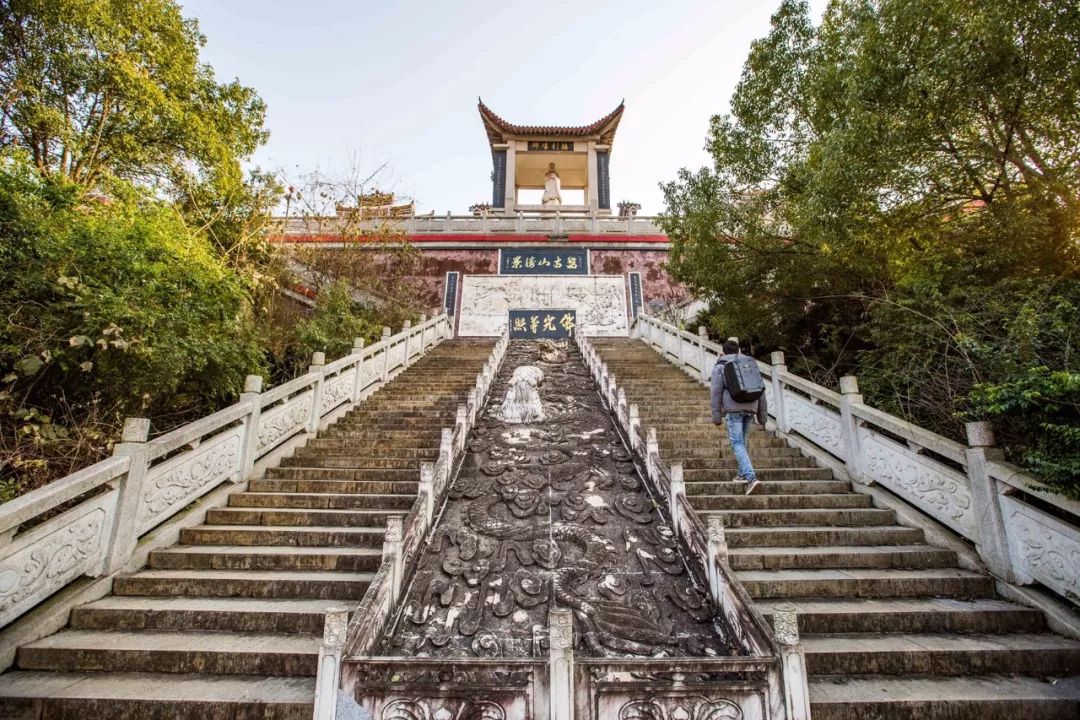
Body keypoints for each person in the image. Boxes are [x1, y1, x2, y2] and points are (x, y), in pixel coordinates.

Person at [710, 339, 768, 494]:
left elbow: (715, 392)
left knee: (737, 442)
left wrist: (717, 416)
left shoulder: (720, 366)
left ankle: (751, 478)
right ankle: (742, 474)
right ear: (739, 351)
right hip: (751, 406)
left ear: (722, 351)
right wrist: (762, 416)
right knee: (742, 441)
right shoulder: (749, 364)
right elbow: (761, 390)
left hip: (733, 409)